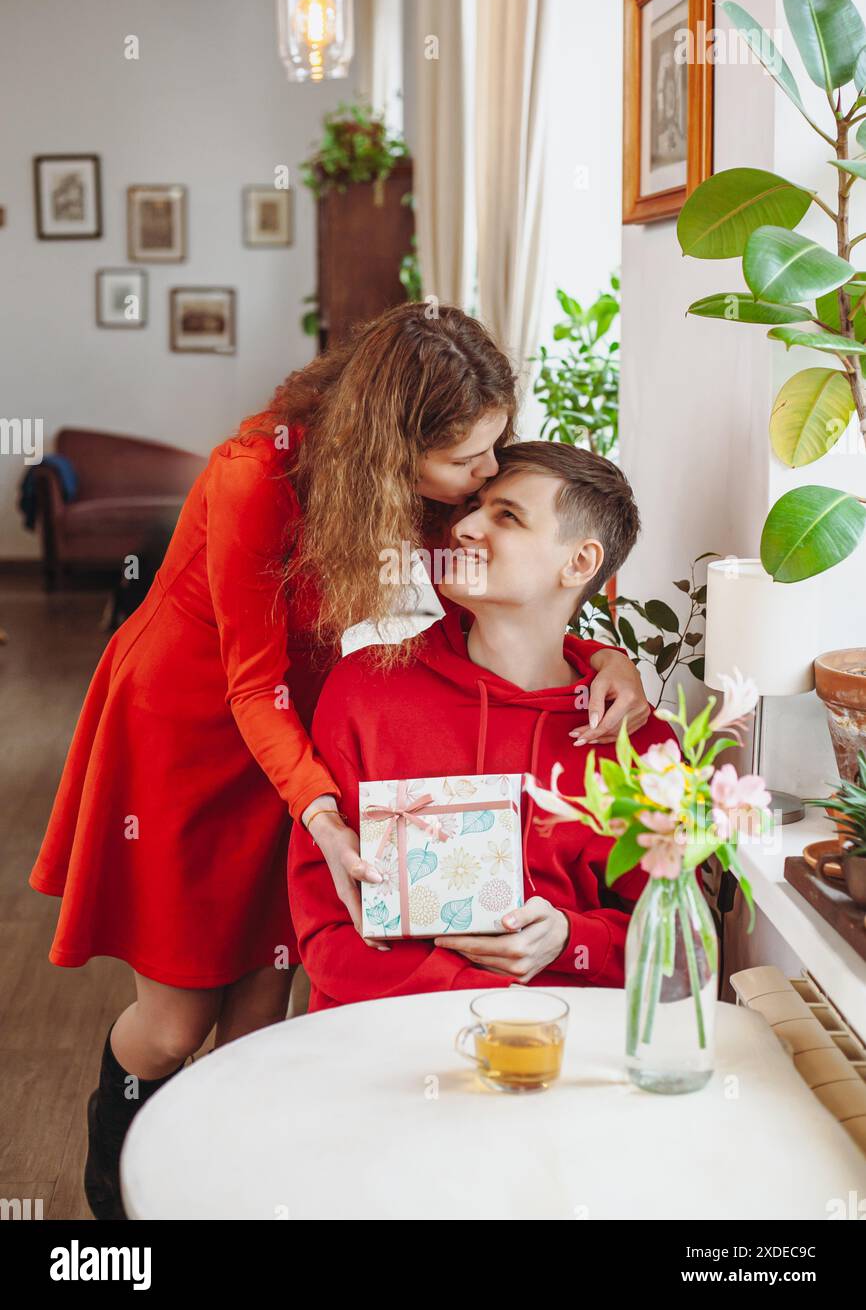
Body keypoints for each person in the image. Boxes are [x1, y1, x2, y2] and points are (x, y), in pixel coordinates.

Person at [28, 305, 649, 1218]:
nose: (483, 479)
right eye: (470, 461)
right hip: (190, 726)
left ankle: (216, 1190)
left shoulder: (420, 483)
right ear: (396, 438)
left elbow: (512, 591)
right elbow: (249, 686)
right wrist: (322, 816)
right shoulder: (253, 478)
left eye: (495, 452)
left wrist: (606, 655)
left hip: (299, 731)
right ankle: (114, 1178)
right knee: (172, 1027)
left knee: (255, 1021)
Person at [289, 441, 685, 1010]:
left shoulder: (639, 743)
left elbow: (679, 949)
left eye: (507, 516)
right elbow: (326, 936)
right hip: (381, 1050)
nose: (466, 526)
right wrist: (489, 997)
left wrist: (572, 941)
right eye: (472, 506)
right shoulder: (364, 690)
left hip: (562, 1057)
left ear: (578, 563)